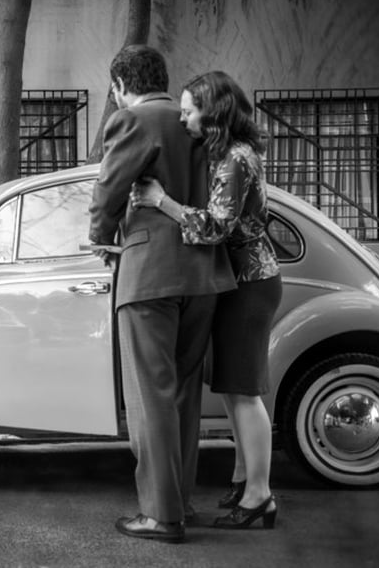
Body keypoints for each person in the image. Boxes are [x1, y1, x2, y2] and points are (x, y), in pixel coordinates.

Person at [88, 45, 236, 543]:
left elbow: (109, 191)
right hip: (205, 276)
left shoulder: (133, 119)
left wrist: (101, 236)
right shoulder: (198, 118)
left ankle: (160, 515)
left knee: (151, 397)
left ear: (118, 86)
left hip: (151, 272)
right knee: (183, 396)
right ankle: (181, 503)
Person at [130, 70, 282, 530]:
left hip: (249, 283)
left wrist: (162, 201)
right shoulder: (236, 153)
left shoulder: (234, 159)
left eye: (189, 108)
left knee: (243, 391)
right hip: (240, 281)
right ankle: (243, 481)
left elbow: (216, 227)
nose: (182, 116)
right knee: (235, 388)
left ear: (212, 111)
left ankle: (259, 497)